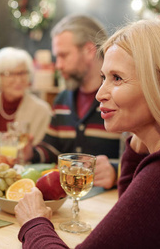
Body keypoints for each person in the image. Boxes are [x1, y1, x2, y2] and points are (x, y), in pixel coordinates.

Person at [15, 17, 160, 248]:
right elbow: (133, 224)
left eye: (117, 78)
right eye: (104, 78)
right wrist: (137, 144)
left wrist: (34, 222)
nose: (100, 94)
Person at [24, 15, 121, 189]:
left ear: (89, 51)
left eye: (63, 55)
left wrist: (116, 171)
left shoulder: (120, 98)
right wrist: (30, 152)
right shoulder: (62, 100)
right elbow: (53, 149)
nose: (58, 65)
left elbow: (143, 158)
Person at [0, 47, 52, 150]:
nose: (18, 80)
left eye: (22, 73)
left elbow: (38, 155)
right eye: (10, 74)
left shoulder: (41, 110)